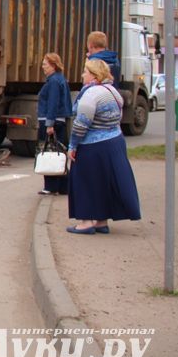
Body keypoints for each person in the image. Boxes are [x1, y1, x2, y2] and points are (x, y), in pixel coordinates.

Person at [66, 59, 140, 234]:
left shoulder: (91, 94)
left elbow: (81, 124)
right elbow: (118, 117)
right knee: (103, 182)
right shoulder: (113, 91)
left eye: (85, 71)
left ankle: (86, 222)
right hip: (114, 141)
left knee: (84, 182)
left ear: (94, 75)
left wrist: (72, 146)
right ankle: (101, 221)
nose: (82, 75)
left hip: (92, 145)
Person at [37, 52, 72, 196]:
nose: (43, 67)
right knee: (59, 153)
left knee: (49, 153)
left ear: (53, 65)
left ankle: (51, 186)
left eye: (45, 64)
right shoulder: (59, 79)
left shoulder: (53, 82)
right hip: (59, 120)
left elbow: (53, 103)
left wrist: (49, 124)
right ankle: (63, 186)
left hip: (52, 121)